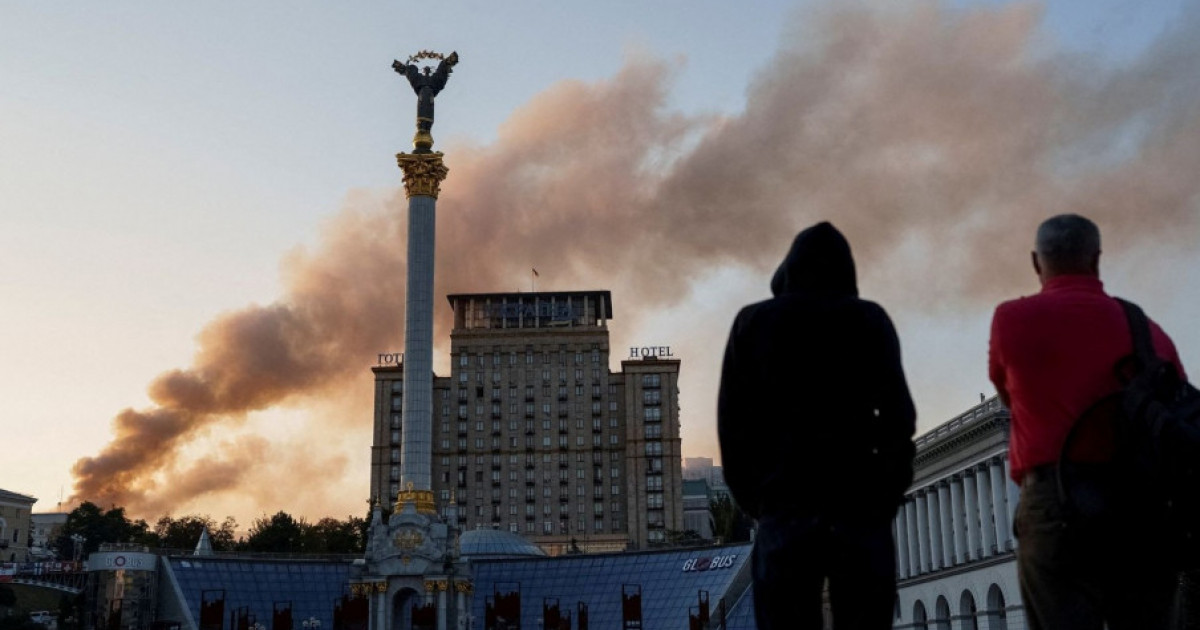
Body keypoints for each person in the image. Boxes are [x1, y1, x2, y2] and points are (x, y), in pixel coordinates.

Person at [989, 213, 1186, 630]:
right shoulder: (1150, 333)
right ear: (1097, 259)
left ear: (1035, 262)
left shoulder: (1012, 320)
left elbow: (1007, 394)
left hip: (1055, 505)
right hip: (1142, 509)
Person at [718, 221, 916, 630]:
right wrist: (884, 497)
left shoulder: (752, 324)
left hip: (784, 513)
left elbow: (733, 430)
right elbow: (900, 421)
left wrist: (761, 505)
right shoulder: (870, 320)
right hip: (858, 511)